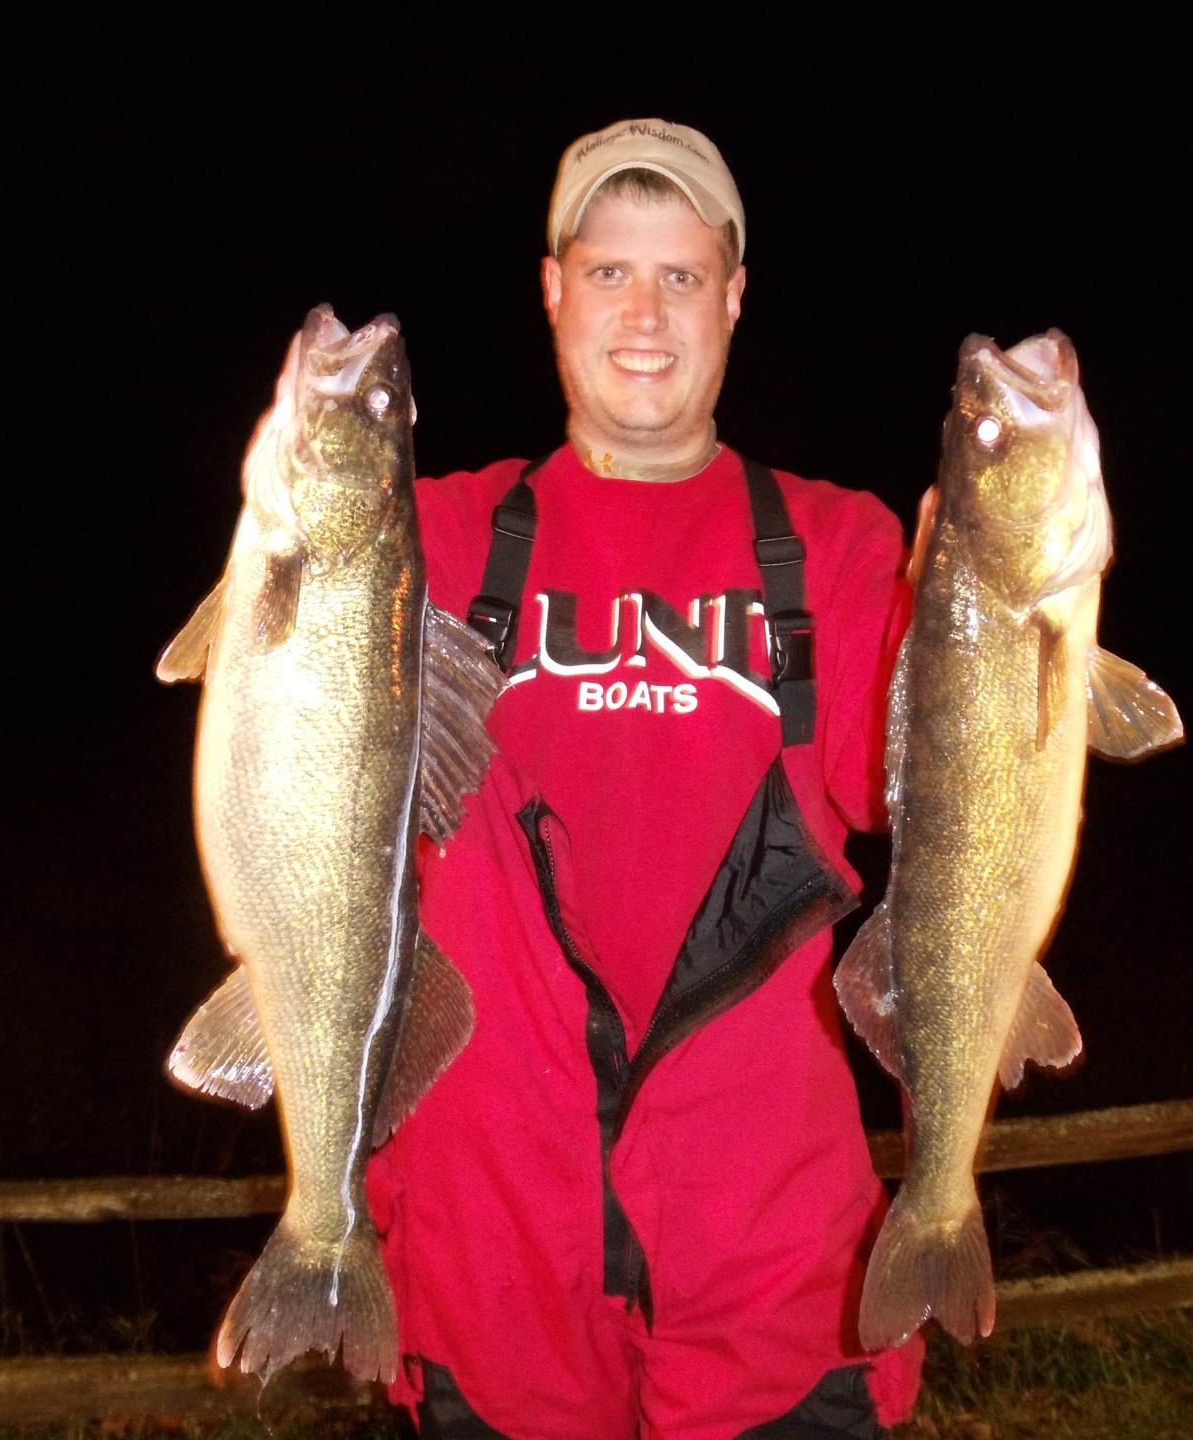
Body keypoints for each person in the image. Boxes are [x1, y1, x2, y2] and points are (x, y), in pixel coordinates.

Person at [366, 117, 924, 1438]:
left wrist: (1027, 614)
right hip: (491, 1262)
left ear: (734, 297)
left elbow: (955, 796)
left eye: (681, 274)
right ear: (552, 291)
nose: (645, 311)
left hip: (777, 1274)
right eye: (610, 270)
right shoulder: (428, 542)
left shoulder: (842, 549)